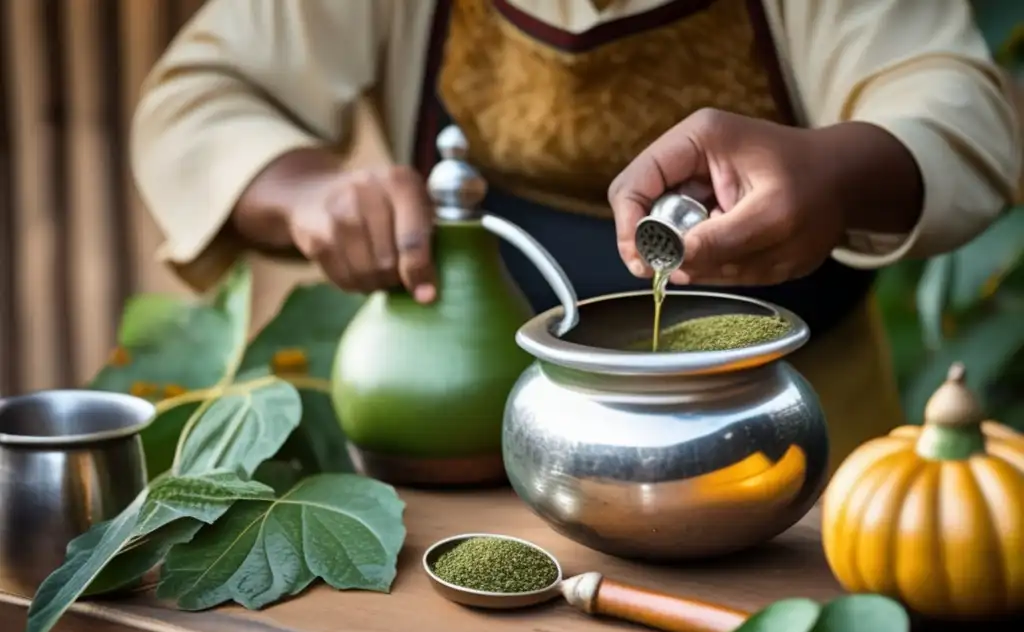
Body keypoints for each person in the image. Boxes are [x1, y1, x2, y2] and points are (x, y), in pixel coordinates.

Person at [131, 0, 1020, 469]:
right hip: (479, 447)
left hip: (796, 448)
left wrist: (837, 171)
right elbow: (198, 100)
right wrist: (306, 190)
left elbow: (965, 112)